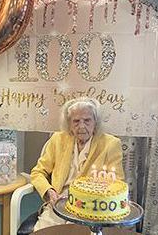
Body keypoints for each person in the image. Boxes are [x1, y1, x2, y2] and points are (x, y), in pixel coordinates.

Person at [30, 97, 124, 231]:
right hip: (58, 203)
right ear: (69, 124)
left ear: (95, 122)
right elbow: (38, 172)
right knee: (43, 232)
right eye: (76, 121)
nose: (81, 126)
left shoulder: (111, 144)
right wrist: (49, 192)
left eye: (87, 120)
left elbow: (117, 181)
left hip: (91, 208)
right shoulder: (58, 139)